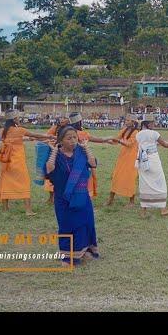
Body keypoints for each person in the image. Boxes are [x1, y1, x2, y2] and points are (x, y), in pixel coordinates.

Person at [45, 125, 99, 266]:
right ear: (61, 140)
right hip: (63, 198)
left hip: (82, 196)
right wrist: (55, 151)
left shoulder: (81, 152)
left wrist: (85, 146)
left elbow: (93, 164)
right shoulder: (56, 154)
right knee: (67, 226)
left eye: (75, 137)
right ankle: (67, 257)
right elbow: (49, 170)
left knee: (85, 224)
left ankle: (84, 251)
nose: (73, 141)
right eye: (69, 138)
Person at [0, 109, 55, 216]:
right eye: (18, 117)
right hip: (17, 161)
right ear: (14, 119)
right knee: (24, 182)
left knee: (5, 182)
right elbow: (36, 135)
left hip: (6, 161)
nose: (19, 119)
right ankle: (28, 210)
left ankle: (5, 208)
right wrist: (49, 136)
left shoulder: (2, 131)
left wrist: (28, 139)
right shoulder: (20, 130)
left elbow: (13, 140)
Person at [135, 113, 168, 217]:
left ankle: (143, 211)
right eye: (153, 123)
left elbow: (146, 144)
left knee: (144, 184)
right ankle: (163, 209)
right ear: (149, 124)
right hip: (153, 159)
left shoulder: (138, 134)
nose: (154, 124)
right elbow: (165, 144)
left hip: (142, 160)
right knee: (160, 182)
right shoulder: (154, 133)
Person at [67, 112, 110, 198]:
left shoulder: (67, 133)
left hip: (69, 159)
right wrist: (111, 139)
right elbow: (100, 139)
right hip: (82, 160)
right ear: (79, 122)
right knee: (84, 179)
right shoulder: (83, 134)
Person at [105, 114, 139, 207]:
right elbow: (116, 140)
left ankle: (131, 201)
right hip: (123, 157)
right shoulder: (124, 130)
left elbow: (129, 144)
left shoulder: (136, 132)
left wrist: (118, 141)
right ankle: (111, 199)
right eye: (126, 120)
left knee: (130, 178)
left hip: (132, 158)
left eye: (128, 120)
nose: (126, 121)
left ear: (133, 122)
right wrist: (106, 140)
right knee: (116, 176)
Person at [43, 117, 70, 204]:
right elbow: (48, 136)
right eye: (61, 118)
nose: (62, 120)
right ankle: (51, 197)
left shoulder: (70, 129)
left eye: (65, 118)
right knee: (51, 176)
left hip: (63, 154)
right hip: (55, 153)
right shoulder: (55, 128)